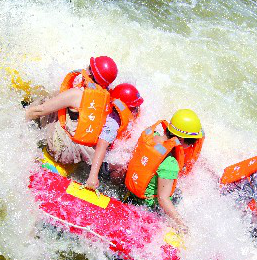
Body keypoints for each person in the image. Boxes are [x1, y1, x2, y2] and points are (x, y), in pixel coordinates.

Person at [24, 56, 140, 190]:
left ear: (90, 72)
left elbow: (40, 111)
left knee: (45, 102)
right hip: (80, 155)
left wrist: (19, 119)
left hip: (60, 150)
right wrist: (93, 176)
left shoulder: (76, 94)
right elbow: (104, 140)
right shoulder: (107, 100)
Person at [124, 109, 204, 233]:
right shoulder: (170, 163)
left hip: (131, 193)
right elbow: (163, 199)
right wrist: (182, 225)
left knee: (177, 192)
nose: (192, 145)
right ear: (181, 140)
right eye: (192, 141)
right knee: (176, 198)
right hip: (146, 207)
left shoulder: (152, 137)